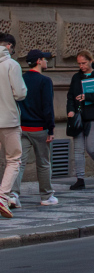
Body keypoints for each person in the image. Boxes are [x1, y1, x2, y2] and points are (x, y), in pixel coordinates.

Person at [67, 51, 94, 190]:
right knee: (78, 150)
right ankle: (80, 179)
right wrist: (70, 110)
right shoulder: (76, 77)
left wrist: (88, 97)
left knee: (92, 148)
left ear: (91, 61)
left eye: (84, 63)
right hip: (79, 117)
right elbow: (70, 96)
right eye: (79, 63)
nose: (81, 66)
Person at [19, 50, 57, 207]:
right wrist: (51, 129)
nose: (46, 61)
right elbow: (47, 107)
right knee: (43, 163)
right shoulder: (45, 81)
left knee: (18, 163)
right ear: (39, 61)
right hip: (39, 128)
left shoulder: (20, 78)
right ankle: (46, 196)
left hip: (21, 127)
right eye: (45, 59)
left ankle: (12, 194)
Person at [0, 33, 27, 218]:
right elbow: (20, 93)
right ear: (9, 46)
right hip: (8, 120)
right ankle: (2, 196)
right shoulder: (11, 64)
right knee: (14, 159)